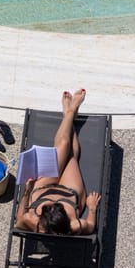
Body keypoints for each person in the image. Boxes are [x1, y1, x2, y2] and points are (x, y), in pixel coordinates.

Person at [15, 89, 101, 235]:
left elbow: (18, 221)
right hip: (70, 190)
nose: (54, 202)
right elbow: (91, 226)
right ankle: (70, 111)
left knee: (62, 147)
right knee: (70, 156)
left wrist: (27, 191)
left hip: (42, 187)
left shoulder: (32, 222)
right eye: (57, 205)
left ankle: (69, 113)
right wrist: (92, 208)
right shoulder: (74, 225)